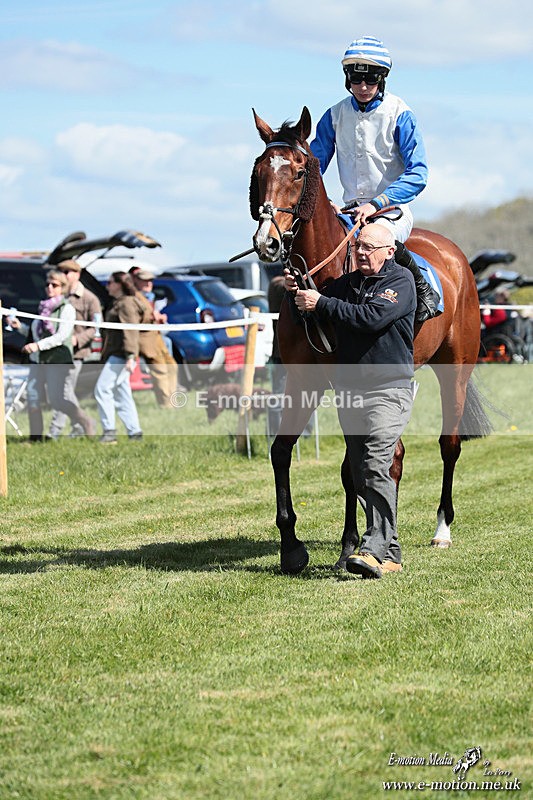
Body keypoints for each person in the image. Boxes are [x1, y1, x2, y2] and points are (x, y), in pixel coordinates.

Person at [285, 224, 416, 578]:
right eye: (358, 246)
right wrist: (299, 293)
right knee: (360, 473)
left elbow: (371, 319)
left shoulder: (400, 282)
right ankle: (391, 553)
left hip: (389, 391)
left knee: (375, 463)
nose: (360, 252)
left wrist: (323, 302)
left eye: (370, 247)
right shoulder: (347, 285)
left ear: (389, 250)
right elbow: (316, 313)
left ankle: (371, 549)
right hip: (351, 393)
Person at [310, 35, 440, 323]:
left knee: (375, 241)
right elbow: (312, 167)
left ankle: (422, 290)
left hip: (391, 211)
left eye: (371, 81)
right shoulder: (333, 115)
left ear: (382, 79)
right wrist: (324, 201)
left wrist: (378, 203)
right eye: (357, 81)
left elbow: (418, 173)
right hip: (349, 211)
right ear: (348, 79)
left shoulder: (401, 114)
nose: (364, 87)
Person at [16, 269, 96, 441]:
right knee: (33, 396)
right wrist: (20, 327)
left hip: (56, 360)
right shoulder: (43, 307)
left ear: (63, 287)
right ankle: (35, 438)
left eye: (55, 285)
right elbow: (36, 333)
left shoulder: (66, 309)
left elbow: (61, 336)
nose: (50, 288)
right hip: (38, 360)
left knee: (57, 400)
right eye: (47, 284)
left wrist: (37, 346)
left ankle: (86, 421)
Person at [47, 259, 102, 439]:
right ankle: (80, 425)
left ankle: (56, 430)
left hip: (76, 353)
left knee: (65, 391)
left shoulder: (90, 299)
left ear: (77, 274)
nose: (64, 275)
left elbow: (96, 327)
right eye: (61, 271)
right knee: (64, 392)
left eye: (67, 271)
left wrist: (79, 338)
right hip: (59, 352)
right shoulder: (60, 297)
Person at [94, 272, 145, 443]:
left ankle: (109, 432)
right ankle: (135, 432)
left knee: (102, 389)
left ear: (119, 284)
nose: (107, 286)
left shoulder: (127, 304)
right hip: (118, 354)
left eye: (110, 283)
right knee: (123, 394)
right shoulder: (119, 303)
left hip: (121, 355)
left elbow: (130, 331)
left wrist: (131, 356)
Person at [129, 268, 183, 407]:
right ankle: (166, 404)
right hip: (145, 338)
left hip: (156, 335)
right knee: (160, 370)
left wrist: (157, 318)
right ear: (136, 281)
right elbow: (133, 320)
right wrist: (154, 317)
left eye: (150, 280)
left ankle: (172, 399)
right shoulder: (134, 297)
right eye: (144, 280)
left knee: (172, 366)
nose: (149, 283)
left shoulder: (149, 296)